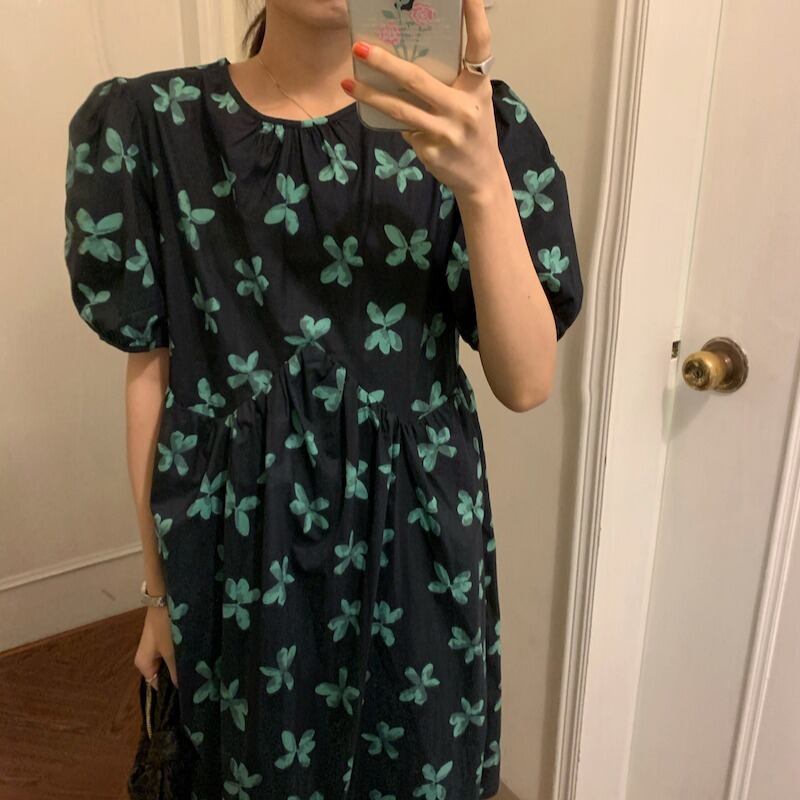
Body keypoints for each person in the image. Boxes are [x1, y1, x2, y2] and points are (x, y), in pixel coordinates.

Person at [62, 0, 583, 796]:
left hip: (416, 552)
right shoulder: (152, 125)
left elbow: (527, 381)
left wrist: (482, 180)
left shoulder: (470, 121)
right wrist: (157, 596)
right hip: (237, 558)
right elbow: (153, 379)